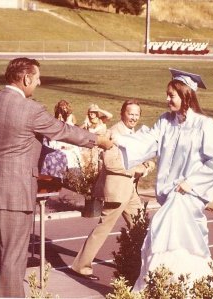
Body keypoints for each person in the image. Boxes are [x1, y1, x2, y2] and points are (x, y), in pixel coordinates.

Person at [0, 57, 113, 298]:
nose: (39, 82)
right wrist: (98, 140)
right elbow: (64, 131)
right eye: (37, 78)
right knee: (12, 257)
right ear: (26, 79)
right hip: (16, 191)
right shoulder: (31, 109)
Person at [114, 69, 213, 291]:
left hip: (188, 195)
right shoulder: (165, 122)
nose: (167, 99)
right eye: (167, 94)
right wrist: (120, 140)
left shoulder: (204, 125)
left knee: (166, 236)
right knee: (172, 242)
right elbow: (148, 141)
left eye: (171, 95)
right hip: (169, 194)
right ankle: (175, 288)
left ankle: (180, 287)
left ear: (186, 96)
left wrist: (191, 182)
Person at [71, 99, 155, 281]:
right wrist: (137, 169)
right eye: (130, 113)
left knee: (141, 227)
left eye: (136, 114)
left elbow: (137, 156)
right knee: (103, 228)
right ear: (122, 113)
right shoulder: (113, 133)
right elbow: (111, 163)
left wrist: (148, 162)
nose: (133, 117)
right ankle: (81, 266)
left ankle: (145, 265)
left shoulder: (134, 133)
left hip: (130, 190)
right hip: (117, 190)